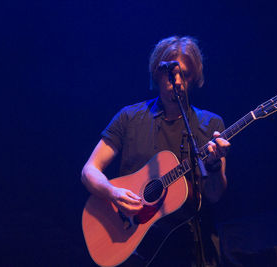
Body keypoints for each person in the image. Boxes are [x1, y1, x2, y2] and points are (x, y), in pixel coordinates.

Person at [81, 36, 230, 266]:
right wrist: (112, 192)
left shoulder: (211, 125)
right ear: (157, 75)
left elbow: (214, 195)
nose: (177, 81)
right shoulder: (129, 118)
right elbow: (89, 170)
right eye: (170, 73)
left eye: (185, 74)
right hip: (135, 246)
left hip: (190, 248)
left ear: (195, 78)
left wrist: (214, 165)